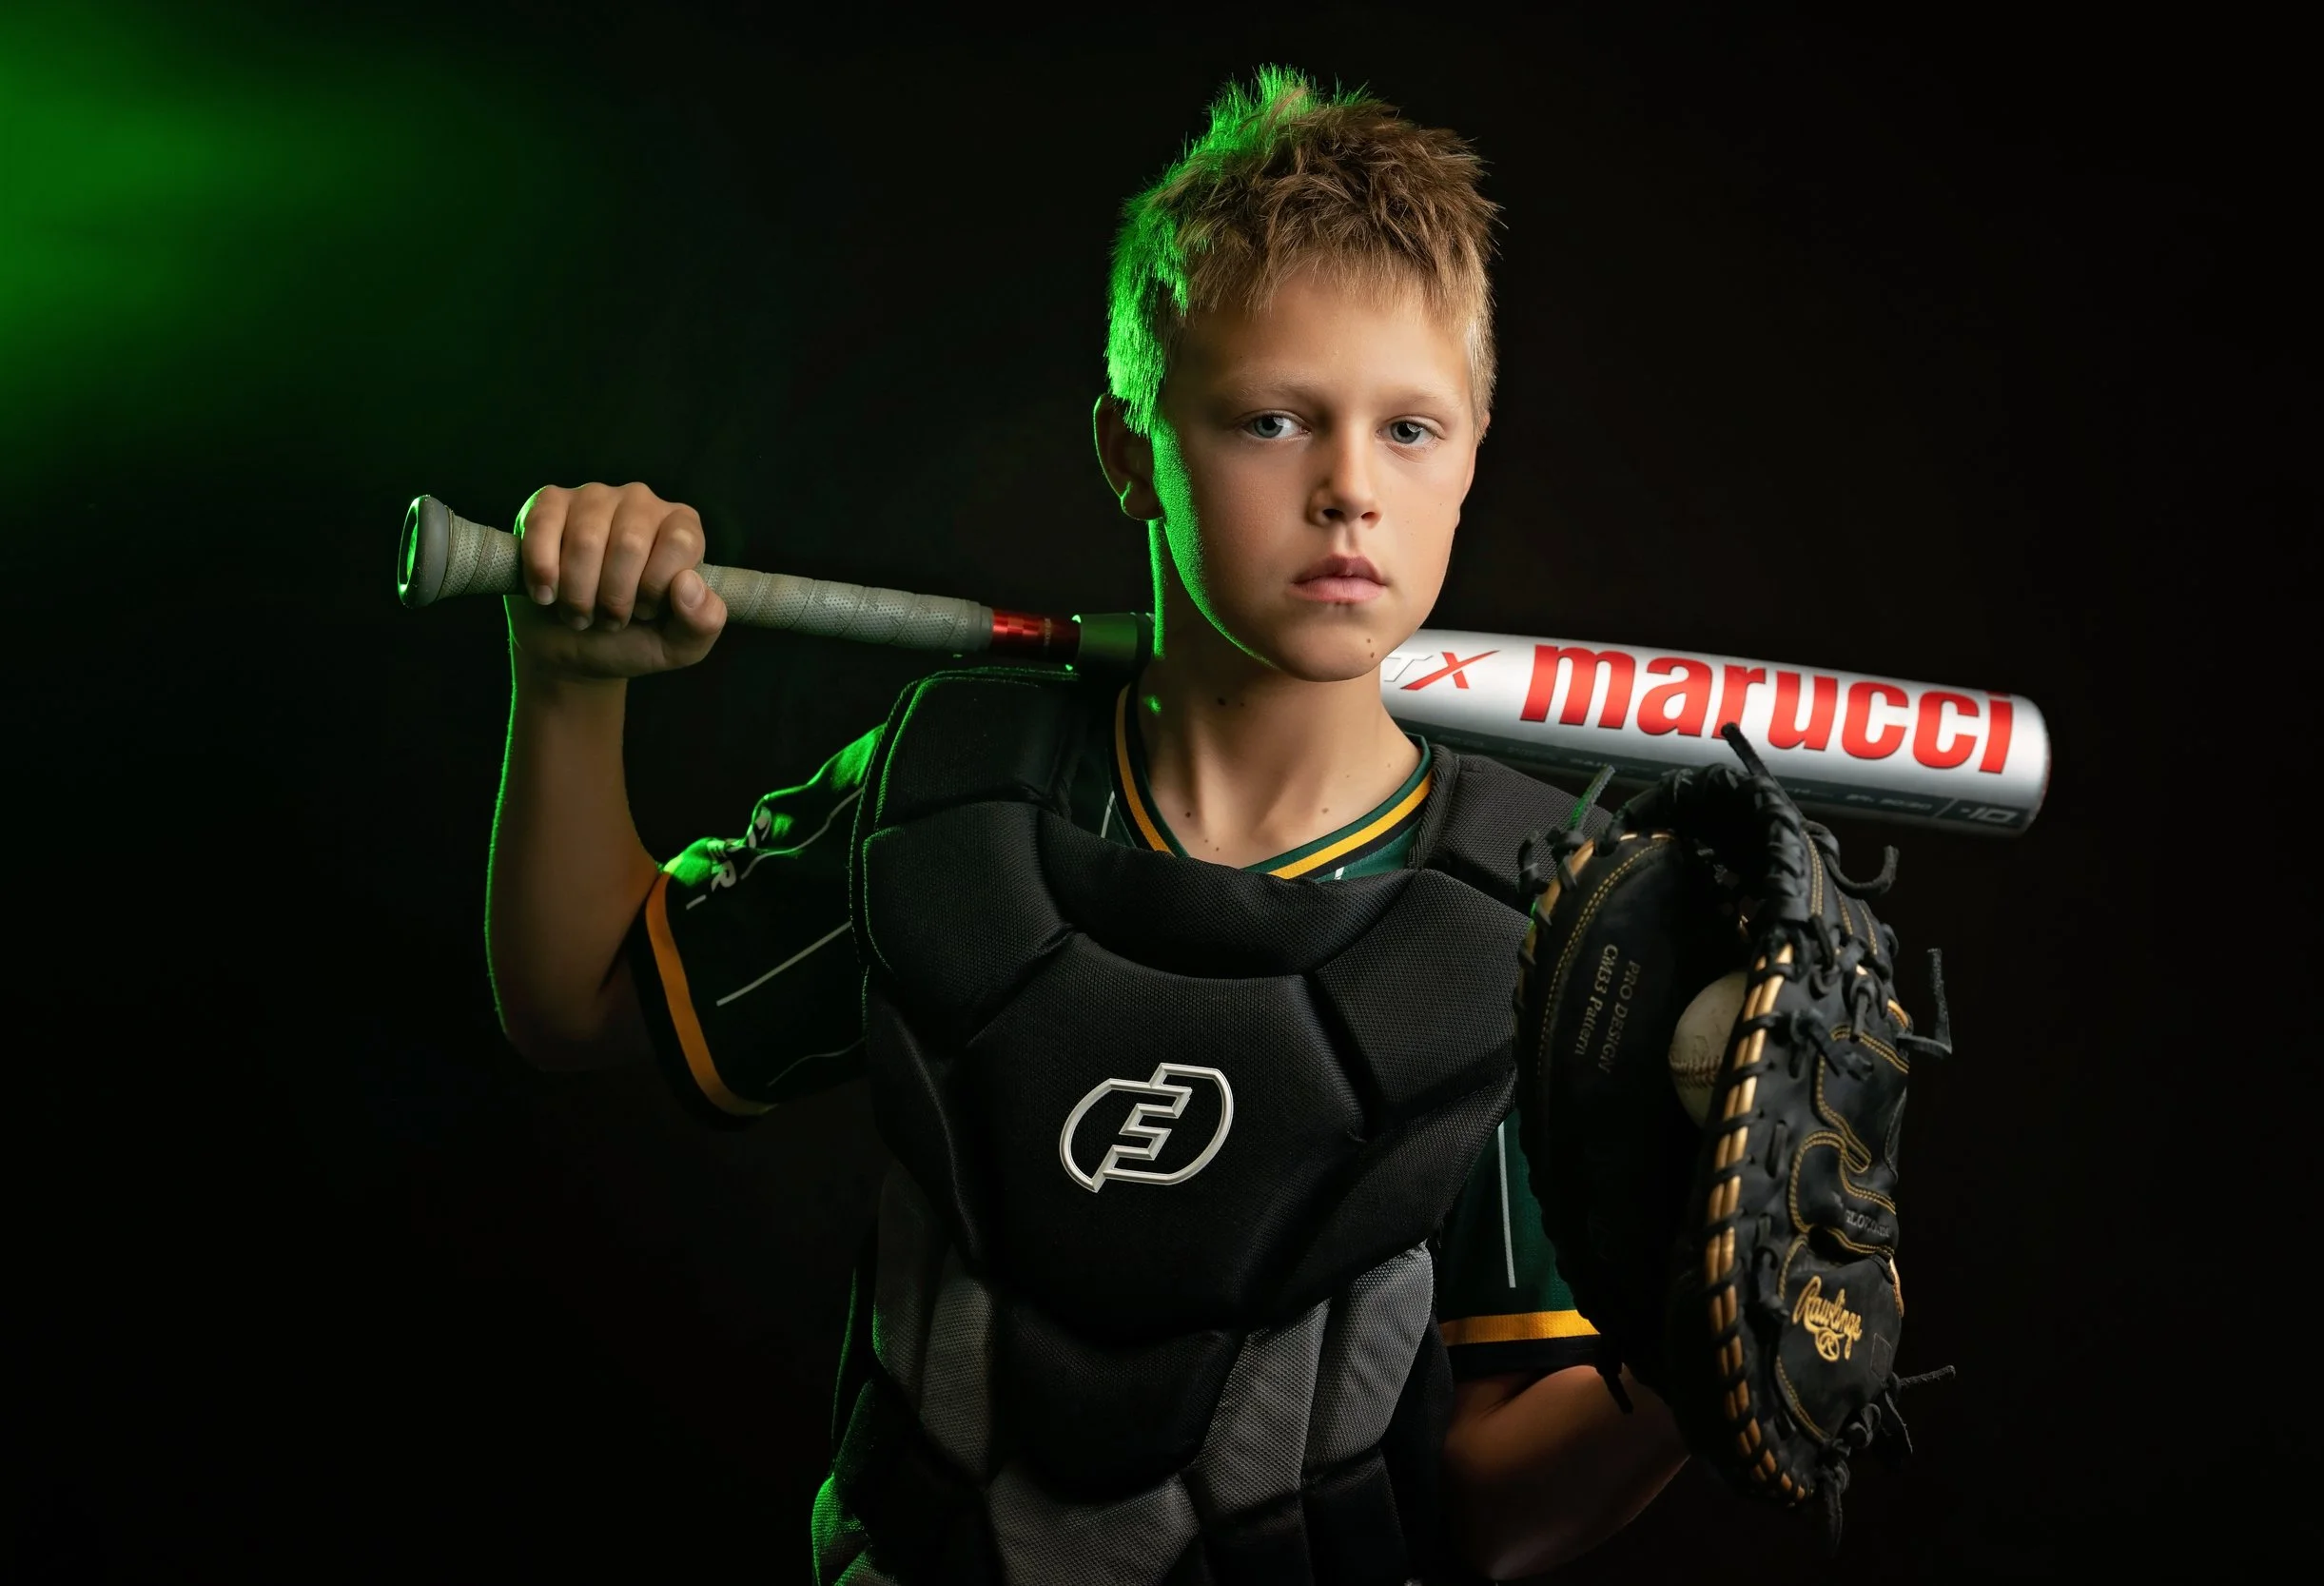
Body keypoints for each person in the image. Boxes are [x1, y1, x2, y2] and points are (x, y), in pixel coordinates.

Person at [486, 66, 1688, 1584]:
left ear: (1475, 449)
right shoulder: (948, 791)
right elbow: (581, 996)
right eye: (1271, 419)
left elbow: (1489, 1510)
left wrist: (1698, 1367)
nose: (1348, 493)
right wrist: (570, 685)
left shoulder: (1534, 915)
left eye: (1409, 429)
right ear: (1129, 447)